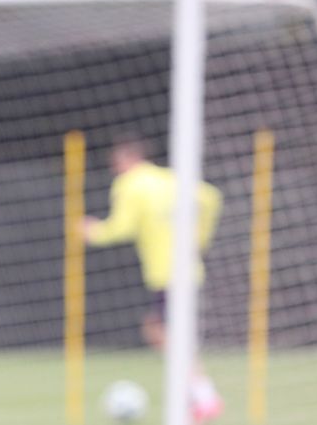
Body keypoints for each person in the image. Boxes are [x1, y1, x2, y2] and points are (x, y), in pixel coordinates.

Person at [83, 139, 223, 424]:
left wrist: (92, 231)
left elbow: (121, 228)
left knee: (164, 333)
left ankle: (204, 396)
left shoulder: (130, 185)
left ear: (126, 161)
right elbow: (211, 197)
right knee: (161, 331)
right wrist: (201, 239)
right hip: (189, 272)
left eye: (117, 165)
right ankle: (196, 394)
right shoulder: (172, 179)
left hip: (166, 275)